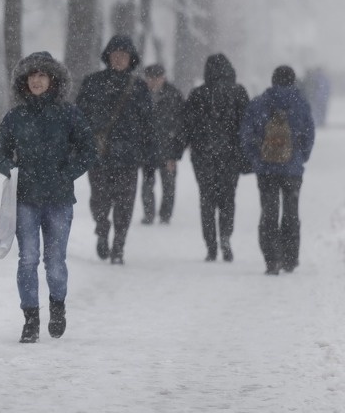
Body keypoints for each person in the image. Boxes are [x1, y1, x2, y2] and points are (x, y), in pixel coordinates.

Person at [0, 51, 96, 343]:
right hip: (25, 199)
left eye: (42, 75)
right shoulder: (15, 117)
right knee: (28, 259)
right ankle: (30, 319)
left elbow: (88, 149)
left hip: (59, 200)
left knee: (55, 261)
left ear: (53, 79)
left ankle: (57, 306)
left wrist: (67, 173)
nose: (36, 81)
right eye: (31, 76)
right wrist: (11, 170)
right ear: (24, 81)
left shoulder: (68, 114)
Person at [76, 35, 158, 265]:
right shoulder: (92, 83)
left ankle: (119, 244)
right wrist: (78, 146)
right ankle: (102, 231)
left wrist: (150, 159)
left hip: (129, 157)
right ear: (108, 56)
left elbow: (149, 125)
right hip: (99, 155)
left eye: (124, 55)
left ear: (131, 58)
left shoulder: (139, 87)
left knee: (125, 203)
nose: (119, 58)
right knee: (99, 200)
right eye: (115, 54)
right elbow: (79, 117)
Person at [240, 65, 315, 275]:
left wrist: (256, 158)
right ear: (293, 81)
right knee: (291, 213)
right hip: (292, 169)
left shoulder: (259, 103)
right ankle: (290, 258)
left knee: (269, 213)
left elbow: (246, 134)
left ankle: (272, 259)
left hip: (266, 169)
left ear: (273, 81)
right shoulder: (301, 104)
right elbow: (309, 134)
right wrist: (301, 156)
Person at [181, 53, 250, 263]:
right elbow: (247, 126)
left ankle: (210, 245)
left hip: (203, 156)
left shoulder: (198, 94)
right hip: (231, 155)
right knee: (228, 199)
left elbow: (186, 126)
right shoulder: (238, 92)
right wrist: (247, 153)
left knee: (207, 200)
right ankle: (226, 237)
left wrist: (175, 151)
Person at [140, 63, 185, 225]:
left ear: (163, 78)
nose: (153, 81)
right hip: (148, 149)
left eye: (156, 78)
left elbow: (182, 126)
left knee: (169, 185)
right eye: (150, 78)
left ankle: (165, 215)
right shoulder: (140, 95)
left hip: (168, 149)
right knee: (147, 184)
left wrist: (175, 153)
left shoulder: (174, 95)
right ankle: (149, 214)